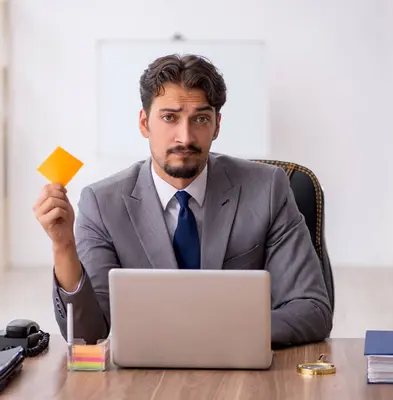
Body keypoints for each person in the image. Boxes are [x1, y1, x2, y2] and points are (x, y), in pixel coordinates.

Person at [33, 54, 333, 348]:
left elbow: (312, 310)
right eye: (169, 118)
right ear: (144, 123)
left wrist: (209, 335)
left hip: (243, 374)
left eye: (200, 118)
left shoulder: (268, 188)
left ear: (216, 125)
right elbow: (88, 334)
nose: (185, 137)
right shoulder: (101, 203)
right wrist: (63, 246)